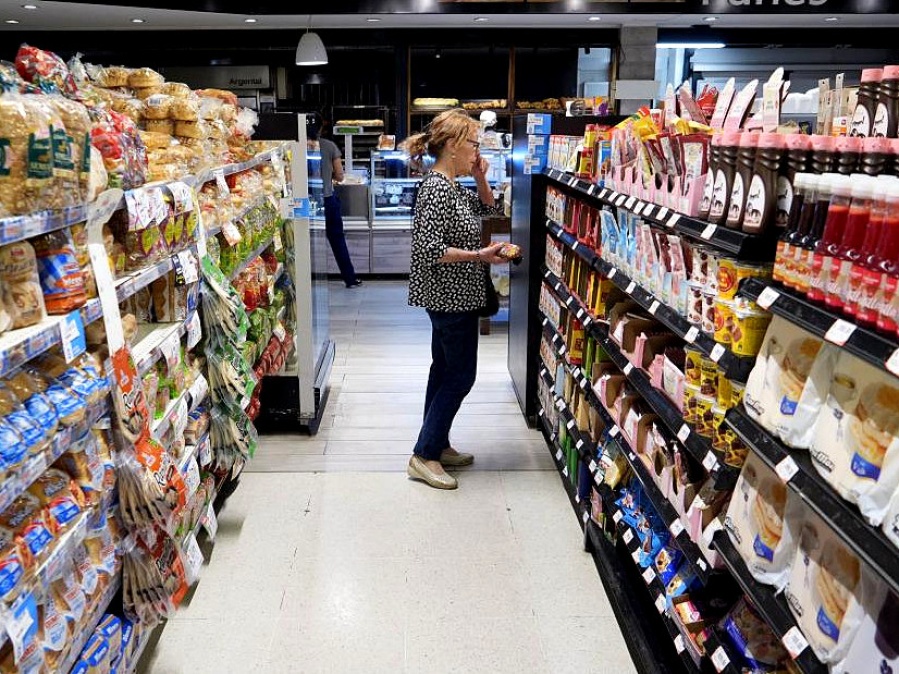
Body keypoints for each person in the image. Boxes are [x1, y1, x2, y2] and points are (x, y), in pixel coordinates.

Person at [401, 109, 508, 490]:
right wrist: (480, 256)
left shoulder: (453, 184)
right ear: (451, 145)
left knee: (443, 370)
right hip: (449, 297)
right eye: (474, 143)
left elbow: (490, 210)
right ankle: (424, 454)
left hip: (458, 293)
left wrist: (480, 176)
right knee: (461, 375)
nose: (477, 150)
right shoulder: (435, 187)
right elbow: (429, 249)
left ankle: (438, 443)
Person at [307, 112, 362, 288]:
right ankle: (349, 278)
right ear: (321, 127)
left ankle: (300, 280)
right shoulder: (329, 146)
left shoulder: (295, 147)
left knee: (301, 239)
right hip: (327, 200)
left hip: (303, 203)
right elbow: (340, 176)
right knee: (337, 238)